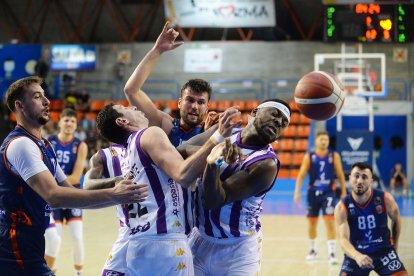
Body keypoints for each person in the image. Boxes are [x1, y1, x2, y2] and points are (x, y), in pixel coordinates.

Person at [0, 76, 147, 275]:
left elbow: (71, 192)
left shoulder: (45, 145)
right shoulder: (21, 144)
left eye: (45, 96)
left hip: (31, 241)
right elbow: (54, 196)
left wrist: (118, 187)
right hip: (14, 245)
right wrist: (114, 194)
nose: (47, 101)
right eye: (37, 97)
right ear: (20, 106)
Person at [96, 102, 240, 275]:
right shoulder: (150, 133)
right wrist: (217, 139)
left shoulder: (129, 151)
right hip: (166, 243)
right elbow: (183, 175)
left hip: (137, 246)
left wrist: (214, 131)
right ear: (122, 121)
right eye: (126, 109)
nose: (134, 108)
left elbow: (183, 148)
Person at [189, 99, 291, 275]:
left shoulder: (266, 164)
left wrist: (214, 163)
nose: (278, 122)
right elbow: (181, 150)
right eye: (275, 114)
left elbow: (213, 201)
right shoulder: (224, 133)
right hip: (200, 238)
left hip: (238, 250)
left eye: (283, 123)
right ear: (254, 112)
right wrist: (211, 145)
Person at [123, 21, 218, 148]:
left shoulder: (214, 133)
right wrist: (157, 50)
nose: (195, 106)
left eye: (201, 102)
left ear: (207, 108)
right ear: (179, 103)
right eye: (190, 100)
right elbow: (131, 90)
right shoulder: (166, 124)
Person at [334, 162, 408, 275]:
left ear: (371, 181)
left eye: (364, 177)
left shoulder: (385, 199)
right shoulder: (342, 207)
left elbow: (396, 219)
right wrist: (357, 256)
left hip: (384, 252)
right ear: (350, 178)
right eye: (356, 176)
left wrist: (395, 246)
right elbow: (343, 240)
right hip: (356, 254)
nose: (359, 181)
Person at [45, 108, 88, 275]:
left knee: (77, 238)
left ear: (76, 125)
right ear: (60, 122)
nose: (69, 123)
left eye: (72, 121)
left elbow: (77, 177)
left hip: (72, 196)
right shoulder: (49, 142)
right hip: (54, 198)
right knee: (54, 238)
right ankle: (51, 271)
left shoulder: (80, 145)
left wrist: (52, 184)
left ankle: (79, 273)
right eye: (66, 120)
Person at [293, 130, 347, 264]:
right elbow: (301, 174)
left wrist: (344, 192)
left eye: (326, 140)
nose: (324, 142)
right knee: (312, 222)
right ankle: (312, 250)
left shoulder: (334, 156)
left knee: (329, 222)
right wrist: (297, 191)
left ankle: (332, 253)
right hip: (313, 194)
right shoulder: (309, 156)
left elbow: (340, 175)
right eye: (321, 139)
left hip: (328, 193)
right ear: (316, 141)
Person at [83, 144, 129, 276]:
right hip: (127, 230)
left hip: (161, 229)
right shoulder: (102, 155)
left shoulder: (149, 141)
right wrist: (115, 181)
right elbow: (87, 184)